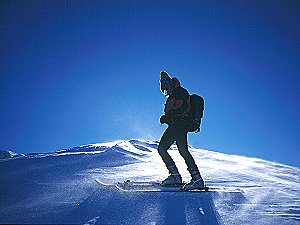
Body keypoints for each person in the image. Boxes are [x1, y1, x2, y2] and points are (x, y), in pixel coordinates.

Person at [158, 71, 205, 190]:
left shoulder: (180, 92)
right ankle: (196, 179)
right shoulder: (174, 94)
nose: (166, 90)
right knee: (183, 151)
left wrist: (167, 117)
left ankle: (176, 177)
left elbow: (181, 110)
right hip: (178, 126)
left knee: (162, 148)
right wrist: (168, 118)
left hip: (178, 126)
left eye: (166, 86)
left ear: (170, 83)